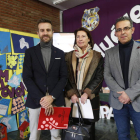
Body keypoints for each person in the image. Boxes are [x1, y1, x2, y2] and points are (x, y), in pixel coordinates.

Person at [22, 19, 67, 140]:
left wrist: (51, 97)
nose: (45, 33)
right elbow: (27, 77)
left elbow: (64, 77)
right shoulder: (30, 52)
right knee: (34, 136)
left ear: (52, 32)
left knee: (56, 136)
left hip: (56, 100)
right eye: (42, 30)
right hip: (36, 100)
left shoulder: (60, 53)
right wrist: (43, 100)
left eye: (48, 30)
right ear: (38, 33)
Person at [104, 16, 140, 140]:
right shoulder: (109, 53)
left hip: (138, 101)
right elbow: (107, 75)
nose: (122, 32)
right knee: (122, 135)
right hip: (118, 102)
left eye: (126, 28)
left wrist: (129, 94)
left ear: (132, 30)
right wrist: (122, 95)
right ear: (115, 33)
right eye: (119, 30)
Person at [64, 27, 104, 140]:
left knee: (89, 129)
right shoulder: (67, 56)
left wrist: (87, 93)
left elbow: (99, 77)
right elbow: (64, 77)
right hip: (72, 98)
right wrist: (71, 93)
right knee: (73, 126)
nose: (80, 39)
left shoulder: (97, 56)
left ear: (89, 39)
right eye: (77, 36)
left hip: (89, 98)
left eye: (83, 36)